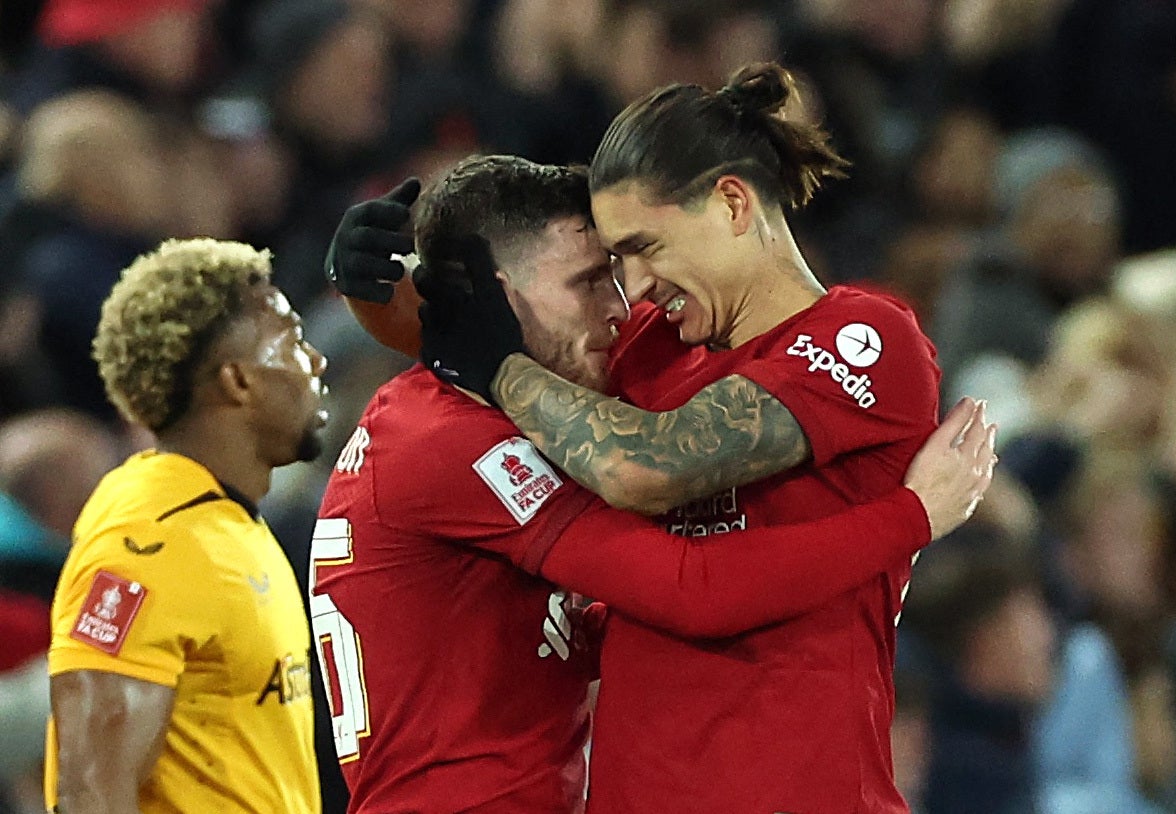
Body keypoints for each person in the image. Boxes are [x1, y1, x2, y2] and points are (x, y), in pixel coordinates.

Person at [319, 154, 996, 811]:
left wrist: (379, 303)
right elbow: (691, 587)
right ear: (491, 299)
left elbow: (578, 632)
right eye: (588, 282)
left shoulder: (457, 419)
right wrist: (911, 518)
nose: (622, 306)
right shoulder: (455, 444)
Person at [45, 237, 327, 813]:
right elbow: (88, 795)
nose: (316, 361)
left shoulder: (226, 520)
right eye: (293, 340)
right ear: (238, 381)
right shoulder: (150, 541)